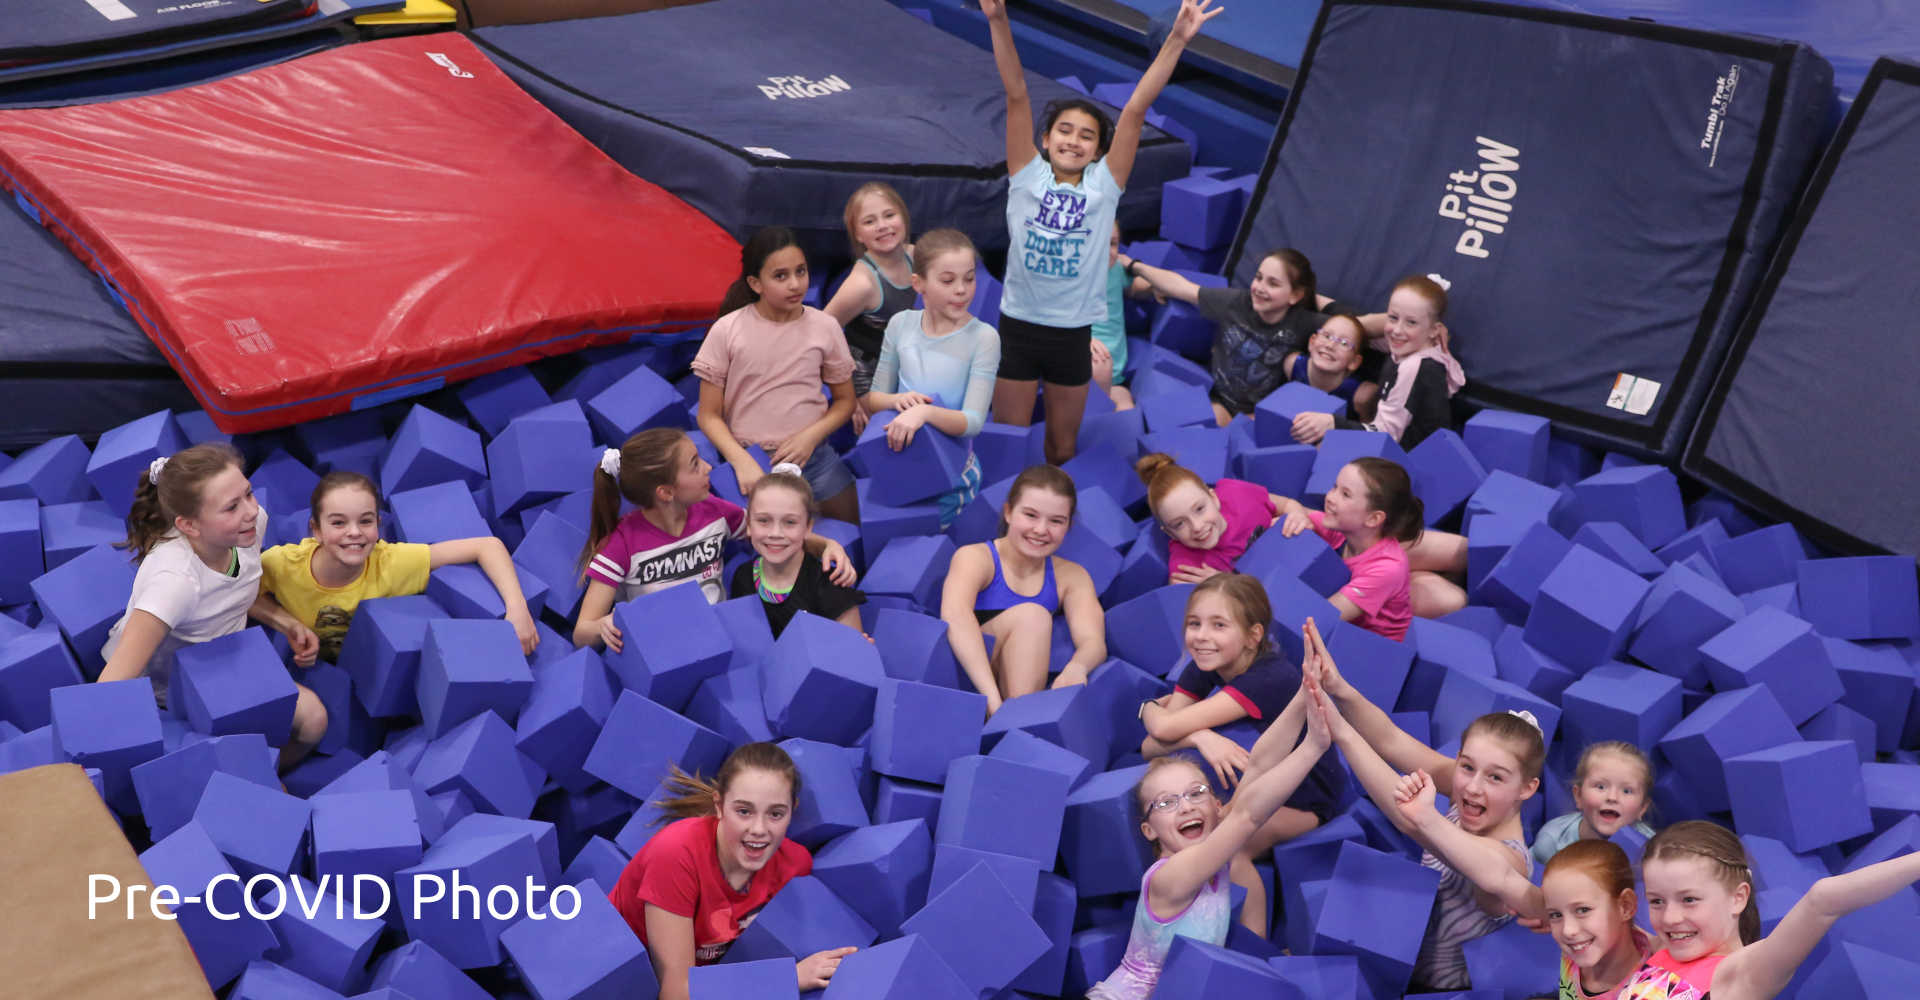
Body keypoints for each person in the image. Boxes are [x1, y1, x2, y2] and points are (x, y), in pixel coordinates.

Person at [982, 0, 1222, 464]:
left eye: (1086, 135)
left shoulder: (1105, 186)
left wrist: (1175, 40)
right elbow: (1015, 93)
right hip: (1018, 327)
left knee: (1062, 445)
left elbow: (1135, 109)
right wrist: (997, 20)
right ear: (1046, 139)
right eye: (1064, 131)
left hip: (1072, 334)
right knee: (1007, 439)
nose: (1073, 140)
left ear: (1097, 150)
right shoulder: (1026, 173)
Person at [1303, 620, 1543, 991]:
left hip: (1436, 989)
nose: (1474, 786)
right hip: (1395, 954)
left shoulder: (1512, 858)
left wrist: (1342, 733)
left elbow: (1418, 825)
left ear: (1527, 789)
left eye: (1496, 777)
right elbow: (1391, 740)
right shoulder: (1464, 789)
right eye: (1467, 766)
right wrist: (1339, 688)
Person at [1086, 677, 1333, 998]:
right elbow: (1247, 816)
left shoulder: (1214, 846)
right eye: (1166, 803)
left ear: (1218, 807)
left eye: (1196, 793)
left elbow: (1260, 763)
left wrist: (1302, 695)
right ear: (1149, 830)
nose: (1185, 807)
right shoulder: (1169, 877)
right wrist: (1312, 747)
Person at [1137, 574, 1348, 935]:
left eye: (1219, 625)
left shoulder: (1268, 679)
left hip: (1309, 793)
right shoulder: (1205, 662)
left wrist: (1149, 708)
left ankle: (1255, 949)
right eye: (1194, 624)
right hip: (1265, 771)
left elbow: (1164, 729)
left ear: (1253, 635)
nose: (1202, 637)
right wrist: (1202, 737)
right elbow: (1150, 747)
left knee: (1229, 848)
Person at [98, 444, 326, 770]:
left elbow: (232, 592)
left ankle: (267, 775)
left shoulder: (249, 526)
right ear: (189, 526)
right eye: (231, 507)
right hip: (170, 689)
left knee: (314, 720)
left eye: (248, 494)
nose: (249, 510)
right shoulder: (174, 583)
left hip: (224, 657)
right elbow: (113, 682)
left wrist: (285, 622)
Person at [607, 743, 859, 999]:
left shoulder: (794, 866)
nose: (759, 829)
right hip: (622, 982)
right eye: (743, 811)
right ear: (719, 805)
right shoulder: (675, 855)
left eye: (775, 814)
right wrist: (790, 978)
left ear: (792, 811)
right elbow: (676, 992)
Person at [574, 429, 853, 651]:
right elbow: (581, 632)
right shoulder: (623, 542)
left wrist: (828, 545)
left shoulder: (714, 512)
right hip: (662, 649)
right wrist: (602, 626)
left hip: (719, 641)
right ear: (666, 492)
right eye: (695, 465)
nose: (708, 467)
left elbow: (774, 536)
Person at [1137, 452, 1469, 619]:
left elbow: (1283, 503)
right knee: (1452, 599)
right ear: (1167, 532)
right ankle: (1401, 580)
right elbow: (1198, 613)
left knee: (1460, 551)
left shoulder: (1234, 493)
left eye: (1199, 509)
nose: (1196, 528)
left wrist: (1295, 512)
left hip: (1338, 539)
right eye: (1179, 524)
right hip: (1328, 586)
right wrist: (1219, 586)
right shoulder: (1186, 568)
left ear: (1213, 496)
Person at [258, 470, 538, 664]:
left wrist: (517, 609)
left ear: (378, 527)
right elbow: (236, 592)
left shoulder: (391, 562)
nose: (354, 532)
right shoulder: (282, 564)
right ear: (315, 530)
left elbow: (486, 546)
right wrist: (288, 624)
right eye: (339, 522)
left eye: (365, 521)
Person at [1623, 821, 1920, 999]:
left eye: (1689, 900)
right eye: (1657, 901)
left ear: (1738, 898)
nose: (1670, 918)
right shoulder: (1661, 949)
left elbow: (1823, 900)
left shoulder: (1741, 976)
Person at [1392, 810, 1659, 1000]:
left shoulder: (1656, 985)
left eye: (1583, 910)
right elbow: (1500, 877)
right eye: (1554, 914)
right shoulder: (1584, 936)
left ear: (1625, 907)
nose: (1567, 930)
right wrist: (1425, 818)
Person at [694, 226, 860, 524]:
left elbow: (845, 401)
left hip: (813, 458)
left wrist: (811, 437)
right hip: (752, 461)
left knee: (854, 531)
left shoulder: (825, 327)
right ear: (756, 283)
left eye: (801, 271)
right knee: (766, 544)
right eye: (781, 276)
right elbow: (708, 414)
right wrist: (741, 461)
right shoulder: (728, 330)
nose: (796, 284)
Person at [861, 228, 1000, 529]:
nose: (962, 289)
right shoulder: (900, 324)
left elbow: (973, 421)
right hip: (900, 466)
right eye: (948, 280)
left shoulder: (984, 338)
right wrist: (898, 400)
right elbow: (874, 400)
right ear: (919, 283)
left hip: (953, 477)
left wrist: (922, 412)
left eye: (969, 278)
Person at [939, 464, 1106, 714]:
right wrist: (991, 700)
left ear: (1069, 526)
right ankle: (1015, 721)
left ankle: (1016, 725)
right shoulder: (975, 558)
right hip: (965, 681)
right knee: (1033, 615)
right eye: (1030, 515)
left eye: (1056, 521)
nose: (1040, 530)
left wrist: (1077, 666)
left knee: (1034, 617)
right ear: (1008, 513)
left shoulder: (1072, 576)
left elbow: (1093, 641)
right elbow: (955, 616)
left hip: (1017, 688)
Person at [1120, 246, 1339, 426]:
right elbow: (1184, 288)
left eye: (1273, 283)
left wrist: (1323, 302)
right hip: (1221, 401)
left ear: (1295, 295)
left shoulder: (1303, 322)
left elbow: (1360, 326)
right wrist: (1134, 265)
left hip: (1263, 412)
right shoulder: (1236, 303)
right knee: (1203, 429)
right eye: (1259, 278)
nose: (1260, 288)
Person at [1295, 274, 1464, 449]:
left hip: (1406, 460)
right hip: (1393, 443)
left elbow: (1387, 435)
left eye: (1411, 322)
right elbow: (1356, 330)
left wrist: (1333, 423)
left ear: (1434, 330)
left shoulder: (1414, 366)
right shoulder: (1413, 344)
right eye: (1393, 317)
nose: (1397, 330)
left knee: (1322, 445)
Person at [821, 182, 915, 435]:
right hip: (865, 374)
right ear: (858, 235)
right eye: (870, 221)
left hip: (900, 360)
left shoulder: (916, 257)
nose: (883, 226)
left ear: (904, 219)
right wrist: (847, 398)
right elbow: (818, 331)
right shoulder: (862, 284)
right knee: (894, 435)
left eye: (889, 215)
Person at [729, 465, 865, 638]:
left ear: (808, 527)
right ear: (748, 525)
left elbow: (853, 654)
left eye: (790, 522)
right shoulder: (742, 577)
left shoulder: (831, 584)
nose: (775, 533)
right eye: (763, 520)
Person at [1531, 741, 1656, 868]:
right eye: (1600, 787)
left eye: (1626, 791)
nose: (1612, 797)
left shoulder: (1651, 852)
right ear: (1578, 796)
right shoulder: (1553, 841)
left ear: (1642, 808)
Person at [1090, 229, 1148, 410]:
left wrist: (1154, 287)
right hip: (1085, 368)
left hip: (1115, 377)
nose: (1108, 251)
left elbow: (1133, 286)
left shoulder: (1115, 268)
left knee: (1126, 407)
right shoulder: (1072, 275)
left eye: (1112, 243)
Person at [1282, 313, 1377, 418]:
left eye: (1344, 343)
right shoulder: (1292, 364)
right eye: (1327, 336)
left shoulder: (1361, 397)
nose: (1330, 345)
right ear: (1312, 342)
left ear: (1354, 362)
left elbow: (1372, 431)